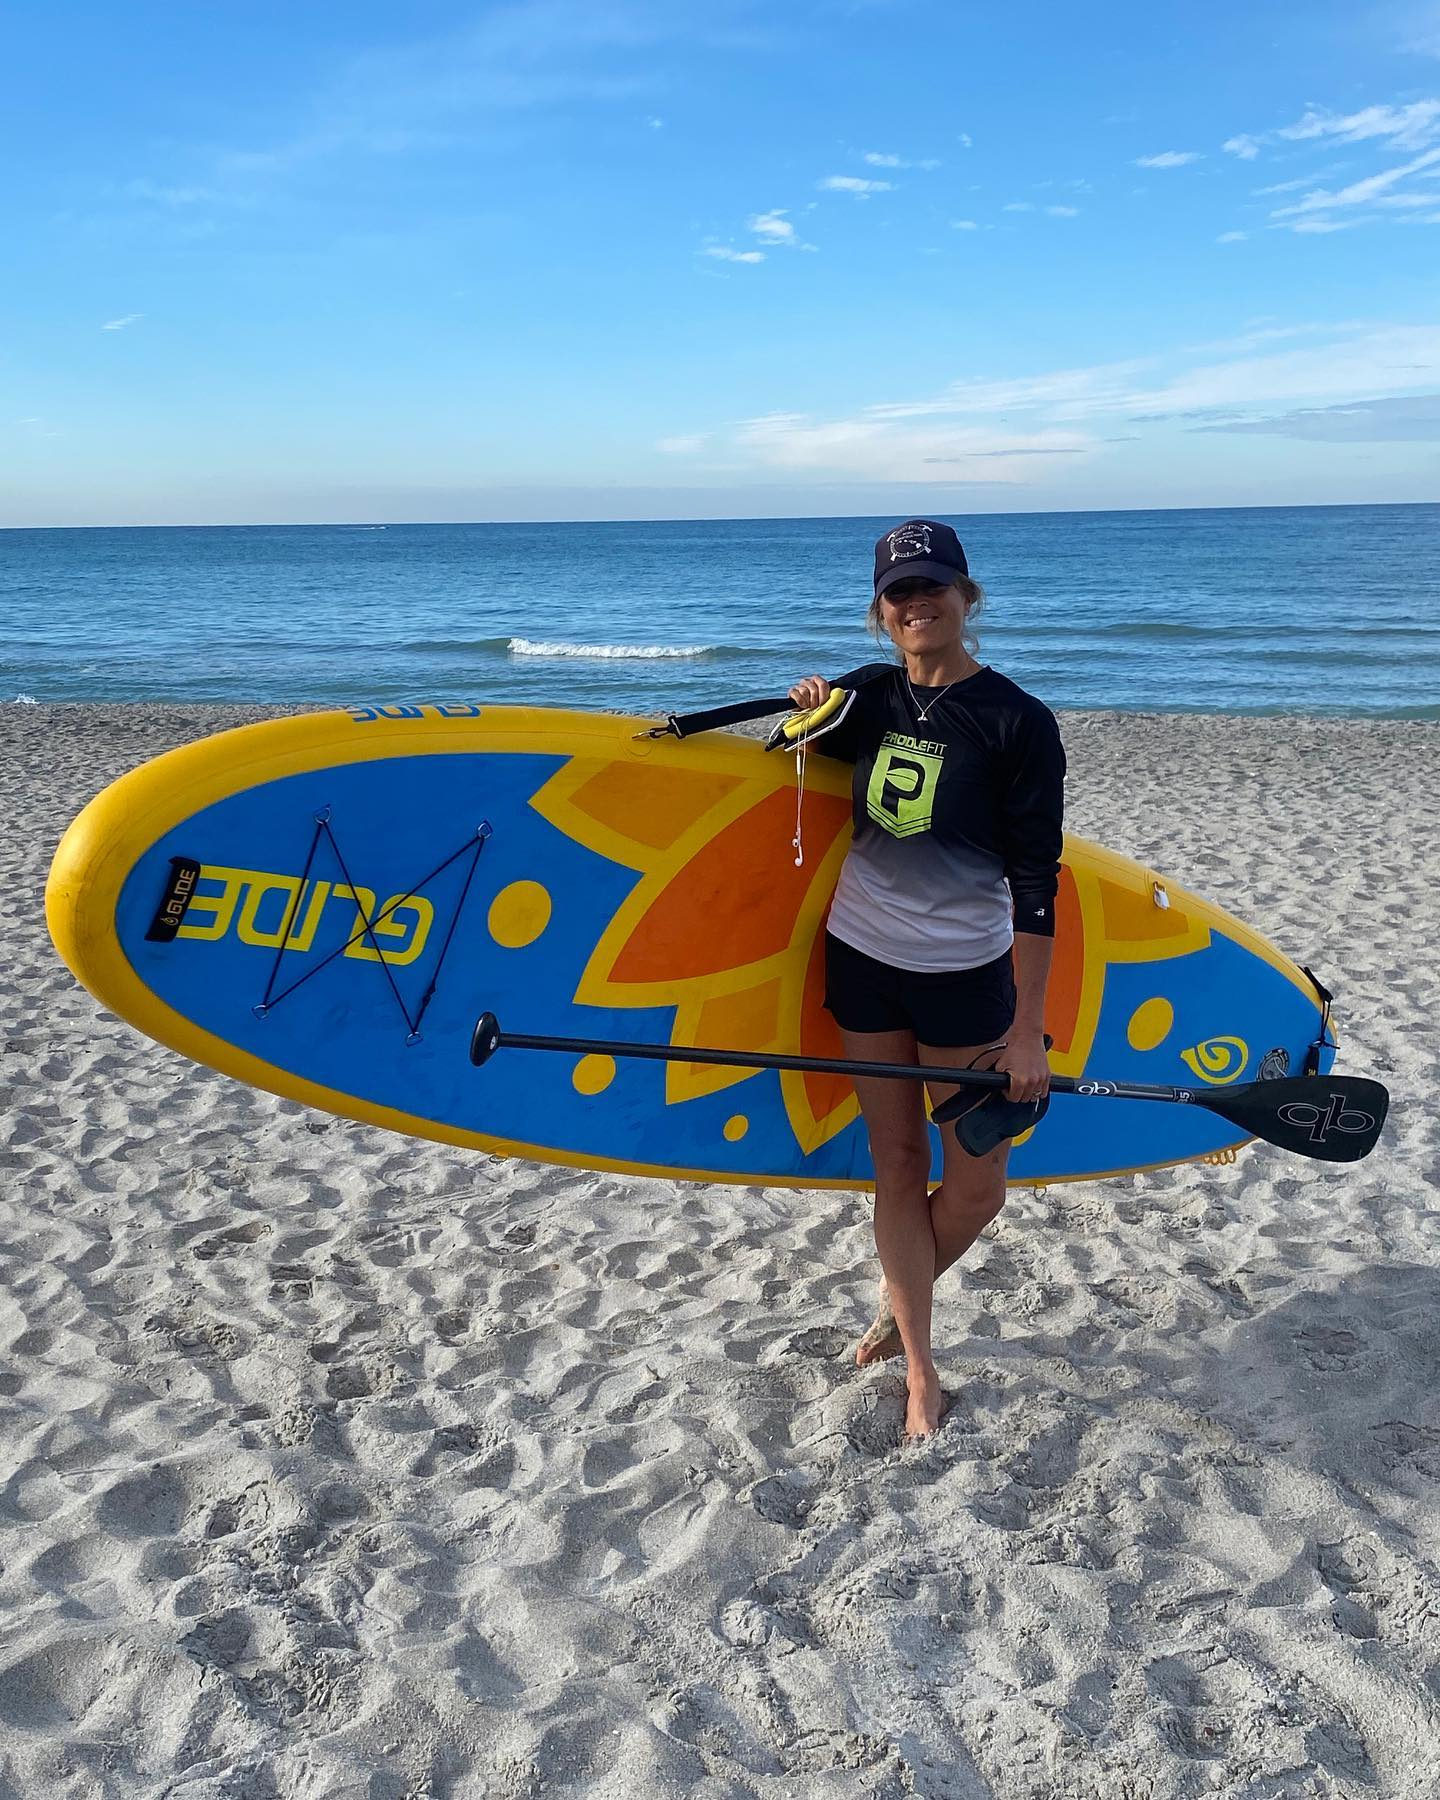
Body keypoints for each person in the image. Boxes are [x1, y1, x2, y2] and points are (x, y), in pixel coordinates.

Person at [788, 519, 1065, 1439]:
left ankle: (898, 1295)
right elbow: (800, 748)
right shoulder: (866, 698)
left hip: (963, 975)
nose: (917, 604)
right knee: (898, 1165)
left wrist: (1028, 1030)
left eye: (934, 587)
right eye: (900, 592)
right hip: (862, 957)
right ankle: (919, 1364)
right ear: (880, 609)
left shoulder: (1018, 722)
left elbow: (1035, 885)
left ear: (967, 597)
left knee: (978, 1187)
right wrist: (808, 705)